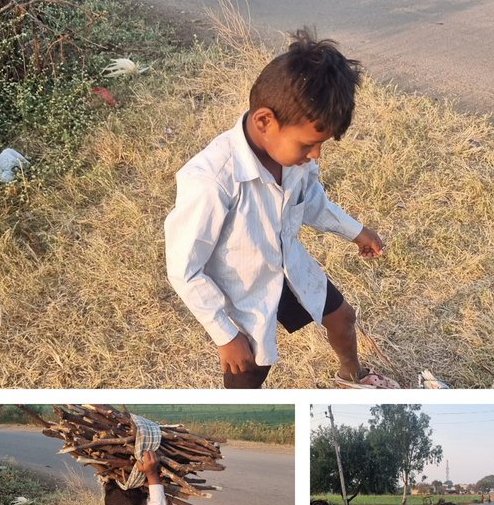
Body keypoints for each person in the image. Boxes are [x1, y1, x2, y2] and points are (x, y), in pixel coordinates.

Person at [165, 29, 399, 390]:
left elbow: (313, 202)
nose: (316, 155)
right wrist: (225, 334)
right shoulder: (211, 180)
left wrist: (357, 231)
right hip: (241, 288)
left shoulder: (293, 160)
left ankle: (352, 377)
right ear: (264, 122)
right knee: (248, 372)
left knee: (342, 318)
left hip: (288, 265)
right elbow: (184, 270)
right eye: (309, 144)